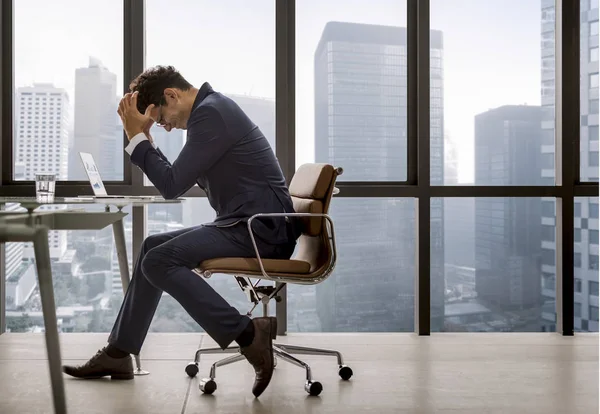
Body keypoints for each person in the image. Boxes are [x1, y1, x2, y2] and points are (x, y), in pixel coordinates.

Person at [62, 66, 300, 398]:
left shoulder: (212, 114)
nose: (167, 128)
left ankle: (248, 333)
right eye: (160, 125)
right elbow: (175, 177)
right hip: (246, 223)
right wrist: (143, 141)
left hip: (260, 231)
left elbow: (172, 185)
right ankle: (118, 354)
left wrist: (136, 139)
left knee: (159, 261)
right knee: (151, 248)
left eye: (162, 119)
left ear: (171, 95)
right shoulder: (211, 112)